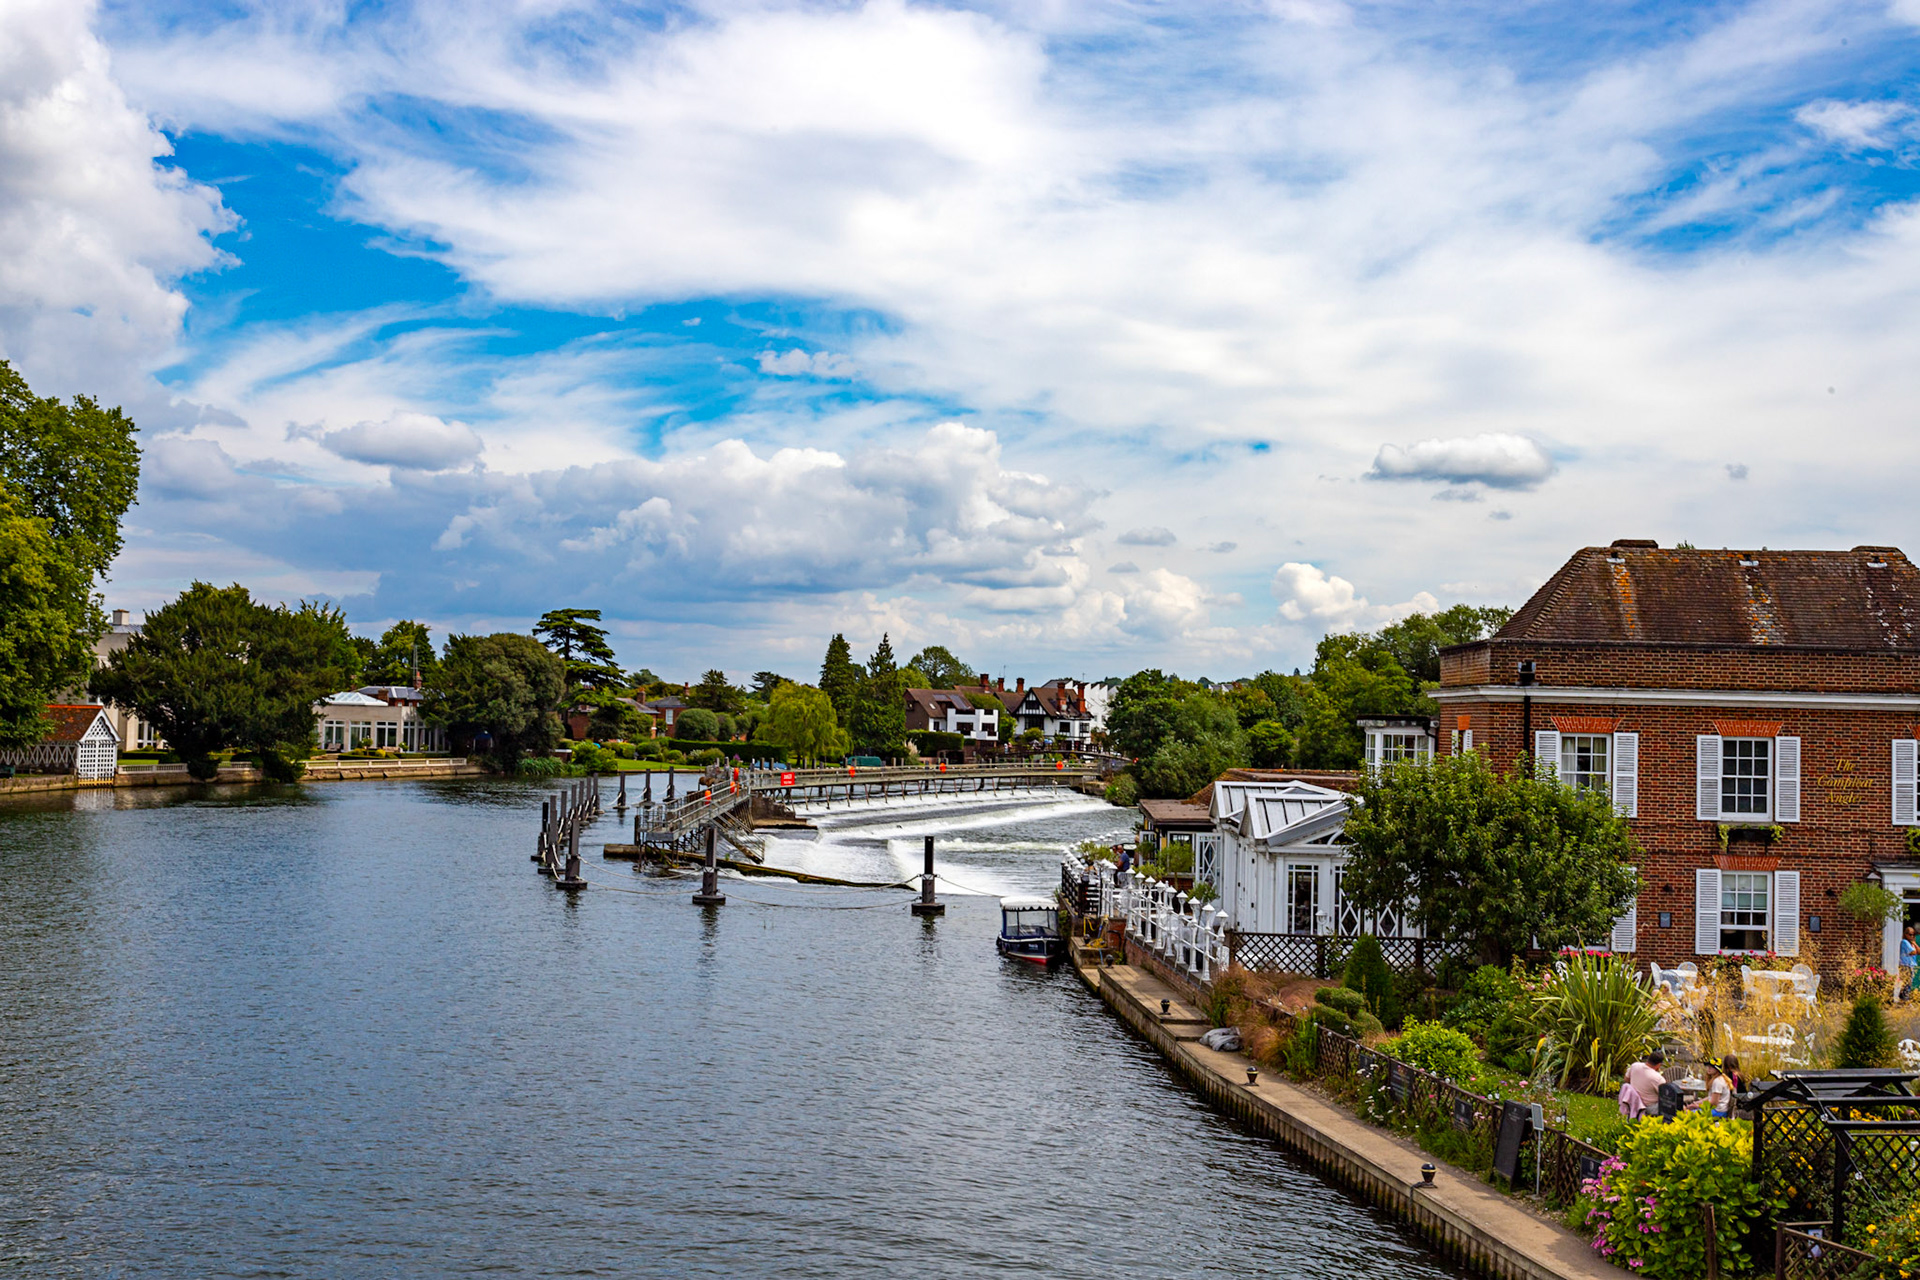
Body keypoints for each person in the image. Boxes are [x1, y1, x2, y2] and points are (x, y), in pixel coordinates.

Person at [1624, 1049, 1666, 1117]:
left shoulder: (1635, 1066)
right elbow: (1665, 1096)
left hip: (1633, 1102)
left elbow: (1626, 1079)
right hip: (1648, 1107)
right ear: (1659, 1065)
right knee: (1672, 1105)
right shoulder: (1658, 1078)